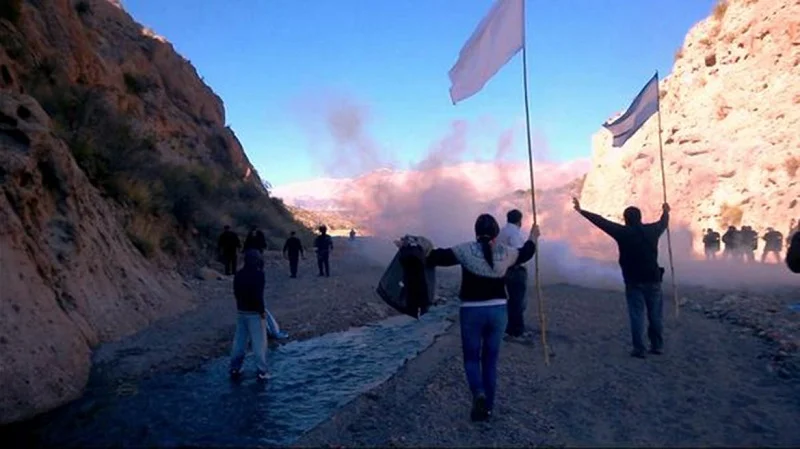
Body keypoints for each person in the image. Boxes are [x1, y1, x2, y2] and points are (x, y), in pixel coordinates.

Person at [406, 214, 538, 422]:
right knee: (490, 362)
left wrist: (415, 244)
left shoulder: (464, 250)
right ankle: (488, 410)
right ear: (496, 233)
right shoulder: (507, 253)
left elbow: (434, 257)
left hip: (471, 311)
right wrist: (533, 236)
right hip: (498, 311)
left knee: (471, 358)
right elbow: (526, 253)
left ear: (476, 232)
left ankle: (478, 393)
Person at [572, 197, 669, 359]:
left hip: (633, 280)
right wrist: (666, 211)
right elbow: (663, 223)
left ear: (625, 219)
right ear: (640, 217)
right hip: (653, 278)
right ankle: (657, 346)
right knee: (655, 314)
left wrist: (581, 211)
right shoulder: (652, 231)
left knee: (637, 315)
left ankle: (639, 349)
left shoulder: (622, 232)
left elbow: (601, 222)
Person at [229, 250, 270, 381]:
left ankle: (235, 368)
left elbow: (236, 292)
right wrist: (261, 311)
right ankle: (262, 371)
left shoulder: (239, 274)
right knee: (259, 344)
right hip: (254, 313)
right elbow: (258, 295)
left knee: (239, 343)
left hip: (241, 311)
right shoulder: (259, 275)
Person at [496, 209, 530, 341]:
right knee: (517, 301)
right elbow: (518, 253)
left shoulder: (502, 231)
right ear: (519, 220)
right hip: (515, 270)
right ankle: (516, 331)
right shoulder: (514, 233)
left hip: (505, 269)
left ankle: (508, 327)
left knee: (511, 300)